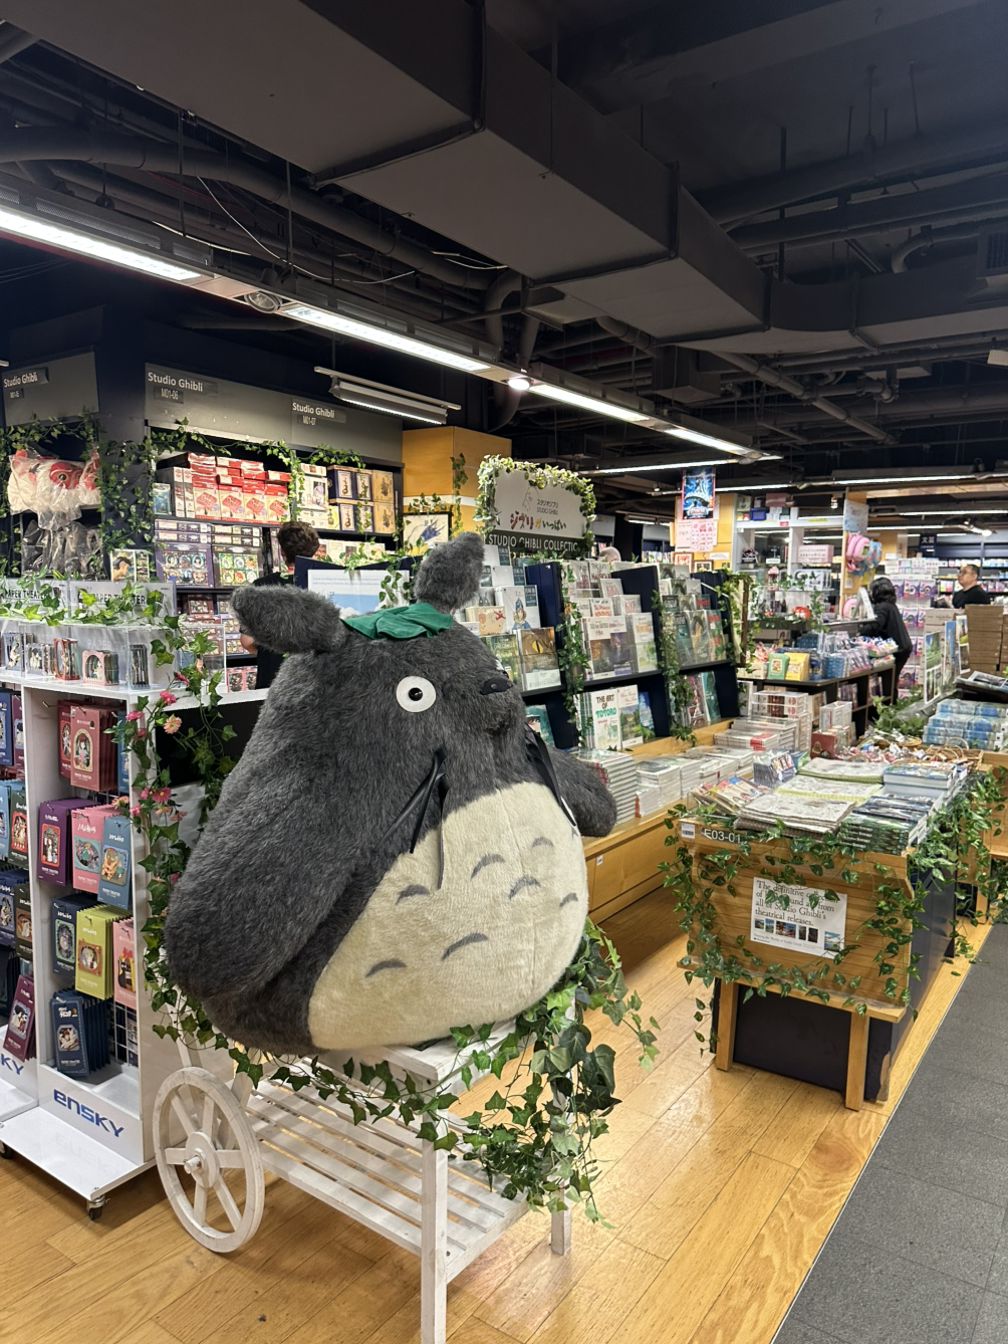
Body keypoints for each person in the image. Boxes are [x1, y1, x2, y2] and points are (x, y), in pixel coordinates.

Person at [239, 520, 320, 688]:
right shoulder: (323, 584)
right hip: (314, 682)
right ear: (314, 551)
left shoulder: (260, 587)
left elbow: (246, 641)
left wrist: (270, 654)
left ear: (282, 551)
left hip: (273, 681)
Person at [859, 576, 913, 703]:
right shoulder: (890, 605)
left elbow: (876, 625)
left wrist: (860, 631)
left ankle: (888, 706)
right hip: (903, 647)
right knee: (891, 681)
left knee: (888, 683)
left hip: (896, 650)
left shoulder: (882, 607)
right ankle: (891, 705)